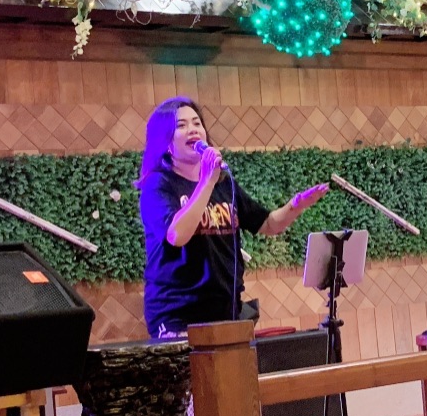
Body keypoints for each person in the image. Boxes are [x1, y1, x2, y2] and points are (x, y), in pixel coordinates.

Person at [138, 97, 327, 338]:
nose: (193, 129)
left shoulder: (223, 183)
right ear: (166, 142)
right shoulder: (158, 185)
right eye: (181, 125)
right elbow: (177, 235)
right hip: (178, 313)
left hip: (226, 309)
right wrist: (206, 181)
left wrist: (296, 206)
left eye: (197, 123)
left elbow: (268, 224)